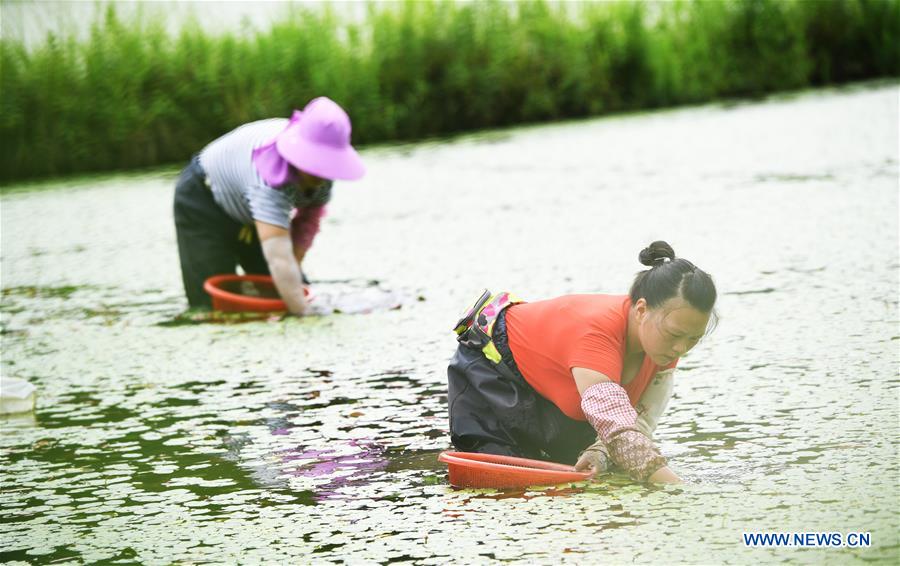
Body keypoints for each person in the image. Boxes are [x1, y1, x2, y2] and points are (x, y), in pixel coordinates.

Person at [447, 241, 717, 484]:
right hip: (493, 372)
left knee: (583, 476)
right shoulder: (595, 333)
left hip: (559, 400)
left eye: (693, 338)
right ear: (642, 310)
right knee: (505, 481)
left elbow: (642, 420)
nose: (681, 348)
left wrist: (600, 452)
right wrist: (677, 489)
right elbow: (618, 428)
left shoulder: (664, 345)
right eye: (674, 335)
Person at [173, 96, 365, 315]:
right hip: (204, 202)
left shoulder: (325, 177)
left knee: (289, 289)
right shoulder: (267, 178)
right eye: (315, 162)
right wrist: (304, 315)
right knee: (211, 306)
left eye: (327, 163)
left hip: (253, 217)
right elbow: (279, 259)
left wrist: (296, 276)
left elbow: (307, 223)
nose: (321, 173)